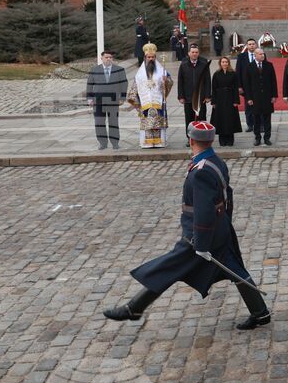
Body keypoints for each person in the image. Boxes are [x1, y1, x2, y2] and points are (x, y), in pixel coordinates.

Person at [102, 121, 270, 330]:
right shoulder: (215, 161)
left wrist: (200, 244)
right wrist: (225, 222)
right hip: (218, 228)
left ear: (191, 140)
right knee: (233, 268)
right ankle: (260, 313)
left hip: (199, 236)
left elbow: (204, 210)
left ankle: (133, 308)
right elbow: (228, 196)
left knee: (168, 267)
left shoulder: (200, 171)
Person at [126, 43, 174, 149]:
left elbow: (170, 83)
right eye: (149, 57)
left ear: (155, 57)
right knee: (147, 121)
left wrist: (166, 81)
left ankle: (159, 142)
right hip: (145, 102)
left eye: (152, 57)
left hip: (158, 102)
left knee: (158, 121)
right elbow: (135, 85)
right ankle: (147, 142)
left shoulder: (162, 70)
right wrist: (133, 99)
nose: (151, 59)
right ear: (145, 57)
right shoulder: (140, 73)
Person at [86, 50, 128, 150]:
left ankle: (115, 143)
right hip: (98, 101)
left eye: (110, 57)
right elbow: (89, 85)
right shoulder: (94, 70)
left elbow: (124, 84)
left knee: (113, 122)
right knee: (99, 122)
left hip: (113, 101)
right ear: (102, 58)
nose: (109, 59)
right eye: (106, 57)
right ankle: (102, 143)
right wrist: (89, 98)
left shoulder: (119, 70)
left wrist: (122, 98)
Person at [242, 48, 277, 146]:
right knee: (256, 119)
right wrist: (248, 98)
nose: (262, 55)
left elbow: (273, 81)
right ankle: (257, 138)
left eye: (263, 54)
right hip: (255, 97)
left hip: (267, 96)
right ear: (255, 55)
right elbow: (247, 84)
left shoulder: (269, 65)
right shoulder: (249, 66)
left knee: (267, 119)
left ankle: (267, 138)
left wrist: (274, 95)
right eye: (260, 54)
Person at [177, 44, 211, 133]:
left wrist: (208, 95)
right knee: (189, 119)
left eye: (196, 52)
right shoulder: (184, 64)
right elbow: (180, 81)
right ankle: (190, 138)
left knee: (201, 118)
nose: (194, 54)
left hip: (201, 98)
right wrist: (181, 96)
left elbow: (207, 80)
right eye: (192, 52)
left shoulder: (204, 64)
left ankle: (202, 137)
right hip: (188, 97)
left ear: (198, 53)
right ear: (189, 53)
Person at [209, 57, 241, 146]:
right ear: (220, 63)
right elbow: (214, 88)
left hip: (230, 97)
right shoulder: (216, 74)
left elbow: (235, 88)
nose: (225, 63)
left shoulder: (233, 74)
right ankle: (222, 140)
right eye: (223, 62)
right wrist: (214, 102)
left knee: (230, 118)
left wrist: (236, 101)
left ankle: (230, 139)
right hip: (219, 99)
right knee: (221, 119)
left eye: (226, 62)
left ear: (228, 63)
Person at [235, 38, 259, 132]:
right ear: (247, 46)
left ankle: (260, 125)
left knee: (258, 106)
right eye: (250, 44)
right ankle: (250, 125)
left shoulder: (260, 54)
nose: (252, 45)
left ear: (256, 45)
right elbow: (238, 71)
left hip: (258, 86)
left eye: (253, 44)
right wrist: (239, 86)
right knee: (248, 106)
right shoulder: (241, 56)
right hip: (246, 86)